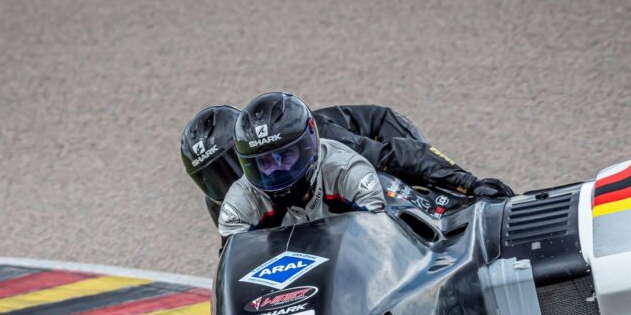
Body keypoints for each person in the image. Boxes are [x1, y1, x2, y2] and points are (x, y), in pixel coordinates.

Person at [180, 101, 513, 228]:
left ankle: (454, 211)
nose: (228, 184)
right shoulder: (225, 203)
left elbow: (392, 156)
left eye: (229, 168)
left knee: (384, 176)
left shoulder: (319, 146)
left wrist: (469, 182)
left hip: (382, 139)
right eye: (212, 179)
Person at [216, 92, 386, 237]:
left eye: (285, 155)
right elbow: (233, 269)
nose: (277, 169)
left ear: (308, 145)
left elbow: (378, 239)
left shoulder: (347, 171)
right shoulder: (240, 202)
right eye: (265, 162)